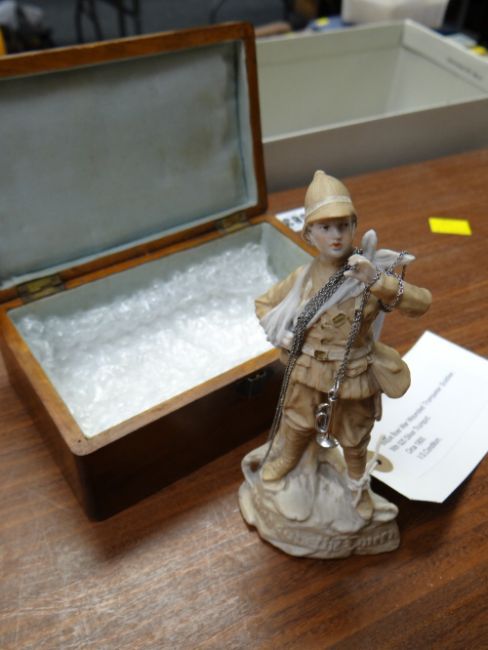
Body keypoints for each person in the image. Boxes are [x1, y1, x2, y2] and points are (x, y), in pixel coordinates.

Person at [255, 170, 431, 518]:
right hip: (307, 368)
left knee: (354, 437)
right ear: (309, 233)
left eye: (342, 226)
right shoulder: (302, 278)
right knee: (296, 422)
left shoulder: (372, 271)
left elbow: (421, 303)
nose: (335, 235)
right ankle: (285, 462)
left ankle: (357, 488)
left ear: (354, 227)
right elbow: (264, 305)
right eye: (325, 227)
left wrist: (376, 280)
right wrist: (279, 333)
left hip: (353, 372)